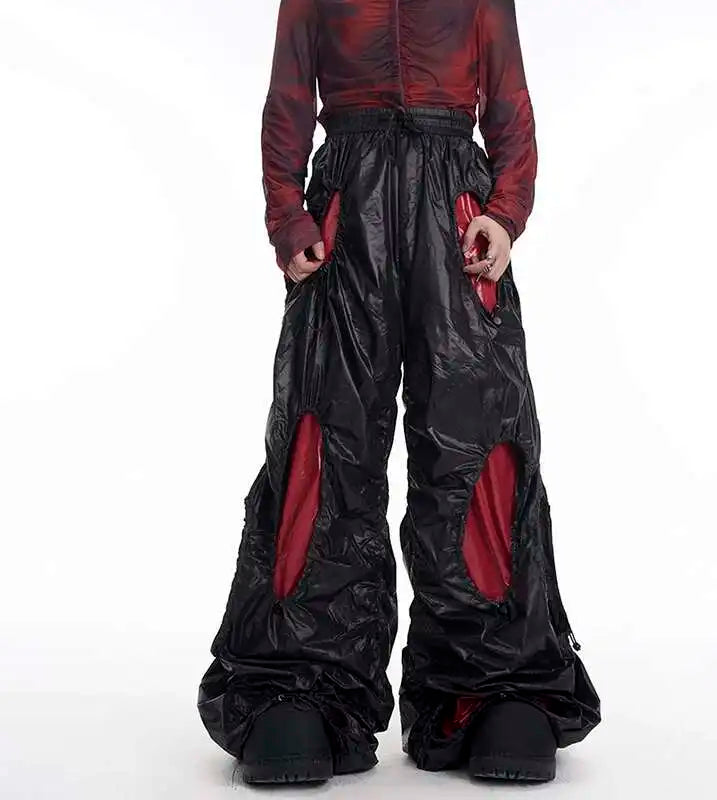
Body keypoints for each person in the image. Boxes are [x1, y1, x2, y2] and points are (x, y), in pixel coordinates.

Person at [197, 0, 600, 785]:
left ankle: (490, 685)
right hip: (346, 211)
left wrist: (505, 213)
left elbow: (509, 100)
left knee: (474, 442)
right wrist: (288, 217)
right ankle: (301, 682)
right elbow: (289, 98)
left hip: (456, 215)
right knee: (324, 439)